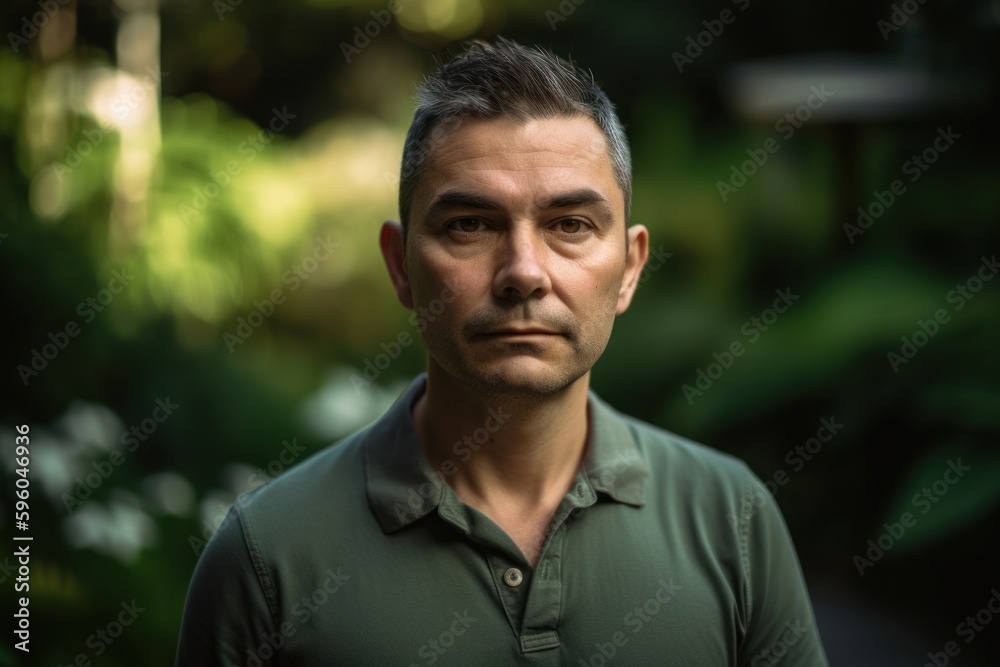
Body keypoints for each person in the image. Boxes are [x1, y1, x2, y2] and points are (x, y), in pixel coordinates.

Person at [176, 37, 829, 666]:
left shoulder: (732, 518)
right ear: (400, 266)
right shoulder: (267, 557)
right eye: (470, 225)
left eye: (570, 225)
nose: (523, 270)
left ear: (629, 268)